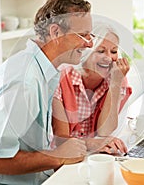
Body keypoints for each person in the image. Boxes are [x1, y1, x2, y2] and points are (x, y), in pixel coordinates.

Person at [0, 0, 93, 185]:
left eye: (90, 35)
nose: (89, 43)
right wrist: (58, 157)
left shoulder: (43, 72)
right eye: (82, 35)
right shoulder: (24, 81)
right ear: (56, 32)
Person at [52, 23, 132, 154]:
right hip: (64, 157)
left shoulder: (117, 77)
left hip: (94, 154)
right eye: (100, 51)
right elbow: (60, 139)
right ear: (86, 52)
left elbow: (105, 130)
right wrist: (91, 143)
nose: (109, 58)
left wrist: (115, 84)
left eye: (113, 51)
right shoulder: (61, 78)